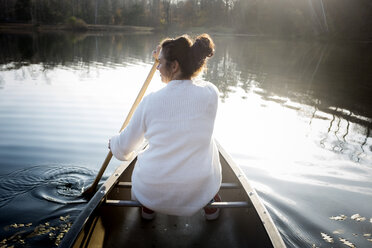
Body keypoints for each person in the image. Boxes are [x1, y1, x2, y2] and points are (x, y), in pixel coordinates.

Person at [109, 34, 222, 220]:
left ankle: (148, 208)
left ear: (175, 65)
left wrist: (113, 143)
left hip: (152, 191)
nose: (157, 68)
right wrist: (164, 57)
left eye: (159, 63)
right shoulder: (211, 93)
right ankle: (209, 203)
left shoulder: (150, 101)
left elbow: (123, 150)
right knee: (210, 144)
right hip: (198, 189)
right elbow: (195, 82)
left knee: (140, 156)